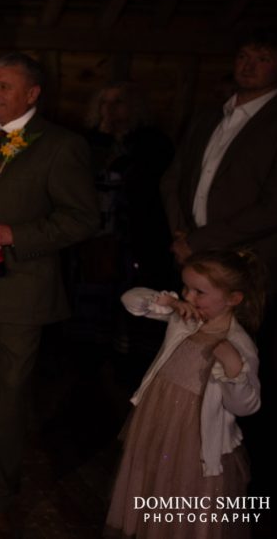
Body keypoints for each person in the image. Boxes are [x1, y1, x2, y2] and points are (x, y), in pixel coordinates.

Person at [0, 52, 98, 537]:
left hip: (20, 294)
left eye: (5, 87)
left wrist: (19, 234)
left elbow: (83, 218)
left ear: (32, 95)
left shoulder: (60, 145)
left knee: (9, 398)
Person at [160, 27, 277, 527]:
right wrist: (180, 233)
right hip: (196, 260)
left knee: (246, 380)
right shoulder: (210, 113)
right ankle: (190, 482)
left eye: (263, 56)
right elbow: (174, 179)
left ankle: (250, 500)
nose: (250, 64)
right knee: (192, 375)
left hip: (252, 273)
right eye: (244, 54)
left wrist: (205, 239)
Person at [107, 249, 264, 538]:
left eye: (199, 292)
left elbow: (246, 406)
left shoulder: (240, 345)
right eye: (186, 288)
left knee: (183, 486)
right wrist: (167, 302)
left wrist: (232, 368)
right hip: (158, 414)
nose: (189, 297)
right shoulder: (184, 318)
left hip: (195, 434)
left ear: (233, 299)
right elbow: (130, 300)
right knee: (153, 473)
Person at [71, 81, 174, 353]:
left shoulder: (151, 142)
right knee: (91, 301)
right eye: (105, 102)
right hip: (93, 237)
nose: (110, 108)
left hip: (135, 235)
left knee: (133, 299)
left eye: (118, 102)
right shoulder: (87, 142)